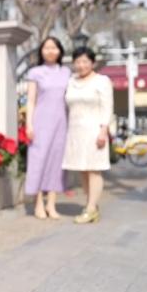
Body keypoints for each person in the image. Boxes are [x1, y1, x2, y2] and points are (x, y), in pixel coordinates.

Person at [62, 46, 114, 224]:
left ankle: (90, 209)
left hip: (94, 131)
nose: (81, 65)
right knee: (82, 169)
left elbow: (107, 107)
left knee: (93, 168)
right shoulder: (71, 82)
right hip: (75, 132)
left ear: (92, 63)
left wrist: (103, 131)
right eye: (77, 62)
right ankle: (92, 206)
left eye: (85, 61)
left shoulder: (102, 81)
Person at [24, 36, 72, 219]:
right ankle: (38, 203)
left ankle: (51, 204)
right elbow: (31, 100)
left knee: (56, 162)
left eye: (54, 48)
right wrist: (29, 124)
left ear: (60, 51)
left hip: (61, 123)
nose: (50, 51)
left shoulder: (66, 72)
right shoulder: (35, 72)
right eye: (46, 48)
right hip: (40, 122)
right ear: (41, 51)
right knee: (39, 161)